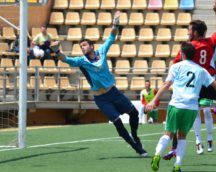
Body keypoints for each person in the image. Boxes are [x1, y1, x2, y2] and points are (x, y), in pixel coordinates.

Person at [50, 11, 147, 156]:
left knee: (134, 114)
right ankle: (136, 147)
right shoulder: (81, 61)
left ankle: (135, 135)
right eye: (80, 46)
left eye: (84, 45)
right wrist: (57, 51)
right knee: (118, 122)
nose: (82, 48)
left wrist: (116, 22)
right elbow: (66, 59)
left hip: (113, 92)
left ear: (91, 46)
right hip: (101, 99)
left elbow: (111, 36)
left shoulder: (102, 52)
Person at [147, 42, 216, 172]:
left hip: (176, 105)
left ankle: (157, 154)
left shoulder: (176, 67)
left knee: (168, 134)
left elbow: (166, 84)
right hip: (191, 108)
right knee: (182, 136)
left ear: (182, 54)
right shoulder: (201, 70)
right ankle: (177, 165)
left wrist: (153, 100)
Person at [173, 0, 216, 122]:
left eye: (189, 30)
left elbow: (176, 65)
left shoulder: (188, 47)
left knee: (188, 112)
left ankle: (180, 138)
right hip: (207, 81)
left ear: (195, 32)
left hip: (192, 84)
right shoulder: (210, 43)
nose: (187, 32)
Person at [163, 46, 216, 160]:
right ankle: (197, 141)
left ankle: (209, 139)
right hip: (194, 88)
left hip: (205, 85)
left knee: (207, 111)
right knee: (195, 113)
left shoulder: (212, 47)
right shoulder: (192, 52)